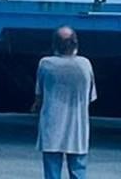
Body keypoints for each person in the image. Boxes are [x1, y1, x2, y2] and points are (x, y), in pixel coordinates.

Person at [33, 26, 96, 179]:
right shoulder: (85, 64)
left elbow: (39, 96)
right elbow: (90, 97)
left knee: (52, 172)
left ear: (54, 44)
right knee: (78, 171)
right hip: (78, 129)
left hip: (51, 129)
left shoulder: (46, 64)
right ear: (75, 44)